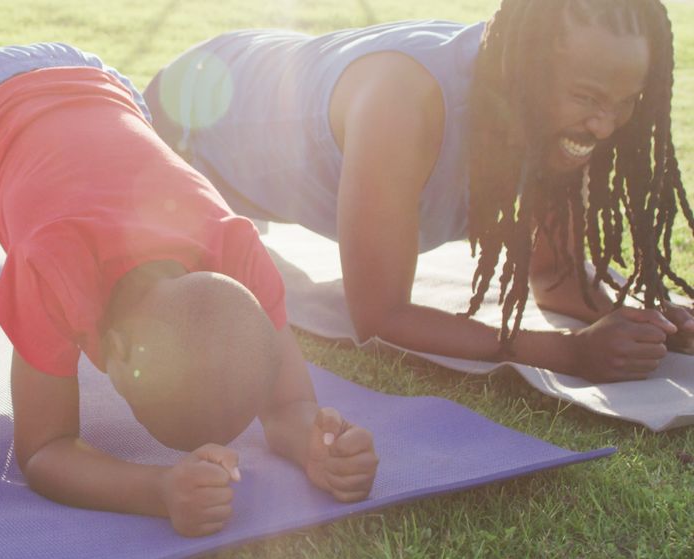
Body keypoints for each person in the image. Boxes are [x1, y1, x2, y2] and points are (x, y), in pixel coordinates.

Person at [0, 44, 378, 537]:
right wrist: (156, 490)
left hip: (95, 82)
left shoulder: (237, 249)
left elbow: (288, 405)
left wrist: (316, 447)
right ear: (111, 347)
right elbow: (42, 452)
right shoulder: (52, 268)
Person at [143, 0, 694, 383]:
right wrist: (570, 353)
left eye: (625, 103)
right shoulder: (403, 105)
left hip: (273, 79)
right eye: (588, 97)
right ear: (527, 68)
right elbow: (379, 318)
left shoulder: (556, 123)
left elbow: (553, 275)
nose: (605, 125)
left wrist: (650, 317)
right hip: (192, 118)